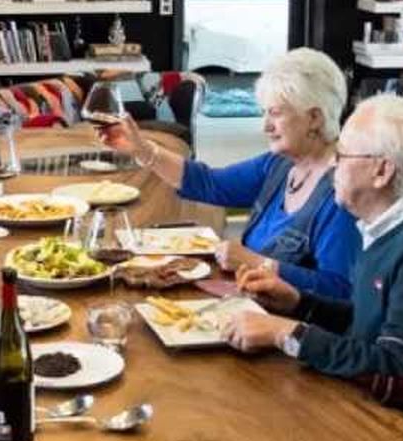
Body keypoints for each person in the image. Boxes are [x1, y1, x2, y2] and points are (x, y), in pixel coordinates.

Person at [225, 94, 403, 415]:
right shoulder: (386, 222)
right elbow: (369, 322)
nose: (333, 165)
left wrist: (285, 333)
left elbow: (398, 376)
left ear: (382, 171)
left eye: (343, 155)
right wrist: (299, 303)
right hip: (371, 401)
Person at [95, 49, 360, 299]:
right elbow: (211, 183)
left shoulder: (343, 194)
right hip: (248, 306)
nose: (265, 126)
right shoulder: (280, 164)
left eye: (275, 113)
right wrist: (141, 149)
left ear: (314, 118)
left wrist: (258, 263)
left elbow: (339, 292)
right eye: (265, 113)